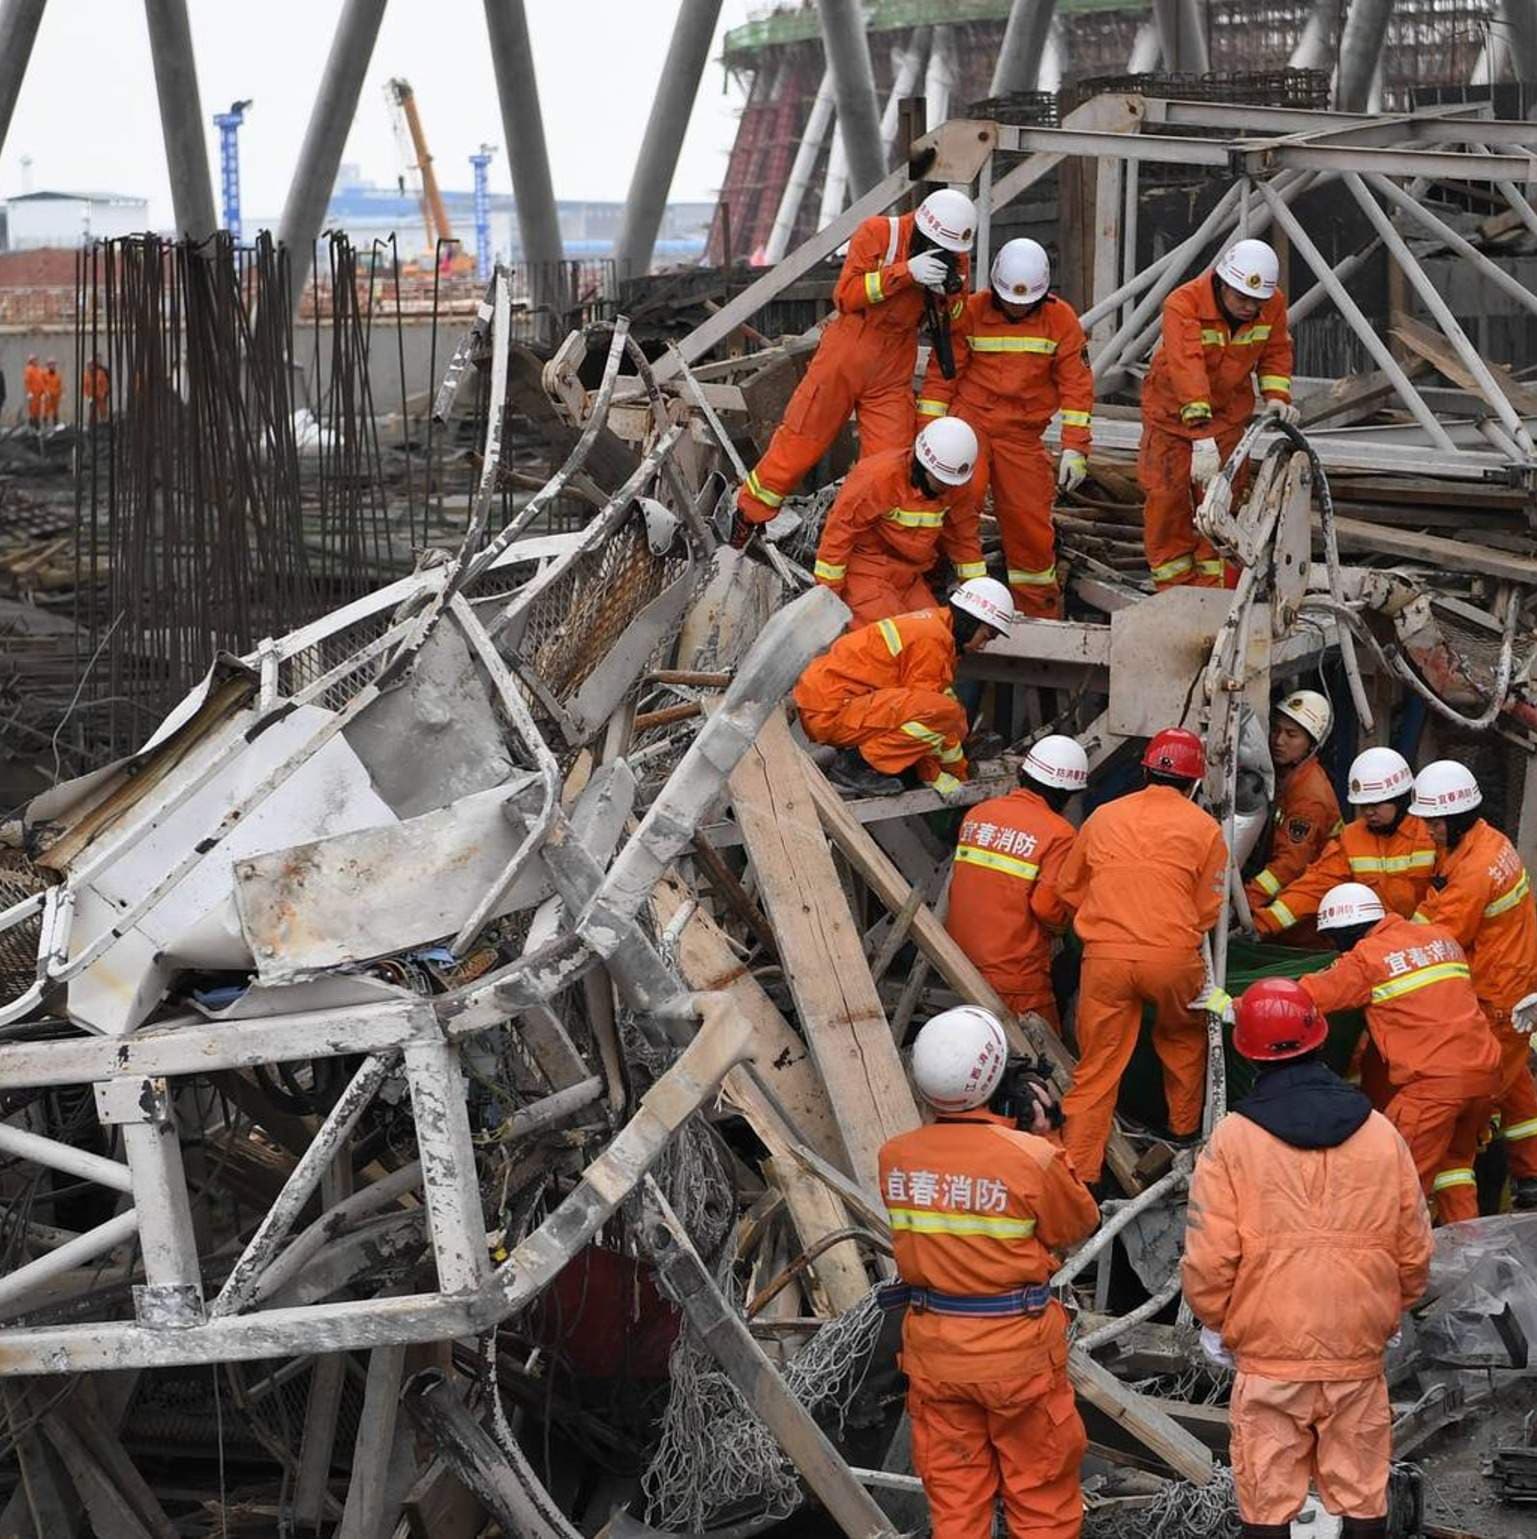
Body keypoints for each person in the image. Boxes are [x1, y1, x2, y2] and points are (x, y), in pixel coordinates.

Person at [1182, 977, 1432, 1539]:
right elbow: (1414, 1244)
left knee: (1266, 1501)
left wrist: (1218, 1321)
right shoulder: (1380, 1134)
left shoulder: (1232, 1140)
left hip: (1269, 1354)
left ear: (1247, 1052)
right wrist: (1389, 1309)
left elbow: (1208, 1256)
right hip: (1357, 1346)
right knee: (1364, 1492)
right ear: (1319, 1039)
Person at [880, 1006, 1099, 1539]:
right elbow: (1077, 1223)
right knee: (1041, 1495)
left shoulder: (896, 1157)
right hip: (1017, 1355)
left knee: (957, 1505)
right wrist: (1047, 1138)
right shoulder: (1031, 1158)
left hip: (936, 1353)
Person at [733, 188, 976, 540]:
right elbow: (846, 296)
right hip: (848, 348)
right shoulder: (879, 232)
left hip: (894, 361)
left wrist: (948, 292)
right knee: (802, 438)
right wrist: (905, 273)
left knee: (891, 459)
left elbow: (954, 321)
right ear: (922, 228)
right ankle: (748, 517)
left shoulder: (957, 257)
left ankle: (874, 545)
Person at [1055, 726, 1228, 1183]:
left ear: (1145, 769)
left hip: (1106, 958)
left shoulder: (1104, 817)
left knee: (1096, 1069)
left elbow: (1069, 888)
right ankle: (1183, 1137)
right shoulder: (1206, 829)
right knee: (1181, 1039)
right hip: (1171, 957)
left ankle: (1080, 1174)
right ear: (1194, 782)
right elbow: (1207, 910)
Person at [1297, 882, 1501, 1221]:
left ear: (1345, 933)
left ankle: (1397, 1268)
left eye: (1334, 940)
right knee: (1455, 1168)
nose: (1337, 950)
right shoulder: (1439, 939)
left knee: (1394, 1185)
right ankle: (1471, 1253)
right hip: (1484, 1076)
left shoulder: (1366, 959)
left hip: (1433, 1089)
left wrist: (1233, 1007)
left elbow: (1308, 996)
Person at [914, 238, 1094, 620]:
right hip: (971, 425)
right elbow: (943, 376)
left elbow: (1077, 386)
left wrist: (1076, 448)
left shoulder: (1061, 321)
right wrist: (929, 435)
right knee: (958, 506)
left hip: (1022, 436)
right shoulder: (971, 311)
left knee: (1030, 526)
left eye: (1026, 301)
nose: (1016, 304)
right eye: (1009, 297)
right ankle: (947, 594)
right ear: (994, 285)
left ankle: (1040, 617)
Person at [1405, 761, 1537, 1213]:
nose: (1427, 832)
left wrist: (1385, 946)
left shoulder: (1476, 868)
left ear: (1456, 818)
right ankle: (1532, 1175)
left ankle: (1468, 1232)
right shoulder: (1487, 841)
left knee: (1462, 1133)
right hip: (1512, 988)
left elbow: (1439, 933)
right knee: (1516, 1084)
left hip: (1495, 999)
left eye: (1433, 823)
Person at [1138, 238, 1295, 589]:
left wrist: (1276, 395)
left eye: (1258, 302)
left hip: (1227, 422)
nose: (1250, 308)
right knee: (1167, 505)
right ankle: (1175, 594)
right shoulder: (1184, 303)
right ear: (1223, 282)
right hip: (1171, 422)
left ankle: (1217, 597)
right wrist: (1199, 435)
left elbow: (1276, 351)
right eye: (1242, 298)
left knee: (1222, 512)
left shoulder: (1271, 306)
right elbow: (1185, 365)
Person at [794, 577, 1016, 800]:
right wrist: (935, 776)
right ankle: (855, 766)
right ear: (970, 623)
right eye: (986, 636)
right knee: (943, 710)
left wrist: (957, 767)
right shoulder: (933, 641)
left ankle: (865, 759)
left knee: (948, 711)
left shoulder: (933, 628)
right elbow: (931, 712)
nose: (983, 646)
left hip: (830, 704)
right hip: (833, 712)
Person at [947, 735, 1088, 1027]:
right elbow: (1048, 909)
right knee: (1043, 1061)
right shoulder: (1059, 833)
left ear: (1023, 775)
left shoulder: (978, 814)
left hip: (958, 962)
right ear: (1067, 794)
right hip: (1014, 974)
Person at [812, 416, 986, 626]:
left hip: (910, 576)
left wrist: (980, 598)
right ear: (922, 466)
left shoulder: (955, 485)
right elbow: (839, 534)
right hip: (867, 570)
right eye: (941, 482)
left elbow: (964, 539)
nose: (947, 489)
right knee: (894, 640)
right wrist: (827, 600)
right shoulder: (878, 478)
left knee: (936, 635)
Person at [1250, 747, 1435, 941]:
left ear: (1401, 799)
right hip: (1374, 946)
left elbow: (1443, 900)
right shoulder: (1352, 839)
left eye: (1376, 804)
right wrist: (1263, 924)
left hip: (1422, 943)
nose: (1368, 812)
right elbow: (1313, 887)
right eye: (1363, 805)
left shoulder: (1429, 836)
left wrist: (1412, 938)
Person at [1244, 690, 1341, 925]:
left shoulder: (1309, 796)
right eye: (1276, 730)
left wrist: (1246, 899)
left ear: (1311, 743)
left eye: (1291, 735)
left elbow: (1291, 865)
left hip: (1304, 915)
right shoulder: (1288, 776)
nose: (1279, 741)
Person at [83, 355, 110, 425]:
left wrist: (103, 393)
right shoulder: (86, 375)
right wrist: (89, 397)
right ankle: (92, 425)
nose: (90, 366)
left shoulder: (100, 373)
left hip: (100, 396)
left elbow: (105, 384)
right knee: (92, 412)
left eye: (92, 364)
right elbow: (85, 387)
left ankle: (104, 423)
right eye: (89, 365)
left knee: (103, 411)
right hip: (92, 397)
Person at [23, 354, 44, 429]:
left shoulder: (39, 370)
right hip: (33, 394)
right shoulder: (29, 369)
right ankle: (33, 427)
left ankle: (37, 427)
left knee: (38, 411)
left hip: (38, 394)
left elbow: (42, 382)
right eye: (34, 360)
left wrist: (43, 393)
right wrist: (29, 392)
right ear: (31, 361)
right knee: (32, 412)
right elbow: (27, 381)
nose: (36, 361)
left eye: (36, 359)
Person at [40, 359, 62, 429]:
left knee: (55, 411)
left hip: (55, 396)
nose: (52, 366)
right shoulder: (44, 374)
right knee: (46, 411)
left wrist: (60, 394)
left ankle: (56, 426)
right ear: (48, 366)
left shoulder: (58, 375)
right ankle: (45, 426)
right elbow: (42, 384)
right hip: (48, 396)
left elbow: (60, 385)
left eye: (53, 364)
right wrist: (45, 392)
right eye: (50, 364)